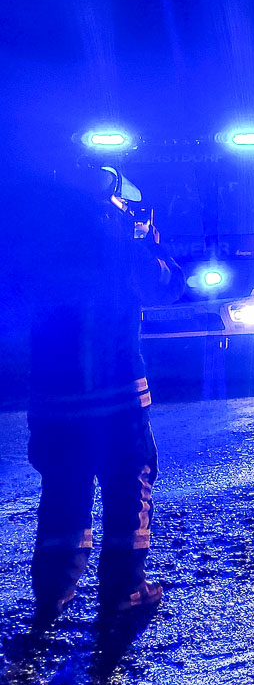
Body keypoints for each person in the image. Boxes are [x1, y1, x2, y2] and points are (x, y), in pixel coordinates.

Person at [19, 165, 183, 623]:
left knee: (62, 492)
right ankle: (124, 590)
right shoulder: (117, 240)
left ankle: (53, 595)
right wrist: (150, 240)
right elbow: (167, 285)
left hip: (53, 402)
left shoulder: (40, 245)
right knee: (129, 484)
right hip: (116, 399)